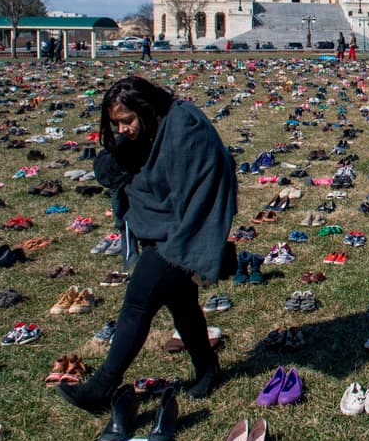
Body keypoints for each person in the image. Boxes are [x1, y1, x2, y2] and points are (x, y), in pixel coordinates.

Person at [59, 76, 236, 414]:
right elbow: (108, 172)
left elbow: (204, 182)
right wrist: (121, 149)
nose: (123, 129)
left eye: (127, 120)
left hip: (182, 233)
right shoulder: (143, 136)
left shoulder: (185, 125)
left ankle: (103, 385)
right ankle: (207, 368)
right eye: (116, 124)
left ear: (146, 108)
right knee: (181, 303)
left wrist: (194, 239)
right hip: (159, 229)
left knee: (138, 303)